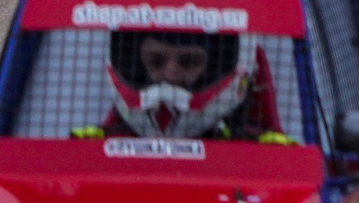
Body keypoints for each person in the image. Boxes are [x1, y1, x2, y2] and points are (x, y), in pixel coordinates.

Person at [88, 30, 285, 140]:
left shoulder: (264, 156)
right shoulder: (94, 147)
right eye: (155, 61)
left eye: (189, 61)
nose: (170, 75)